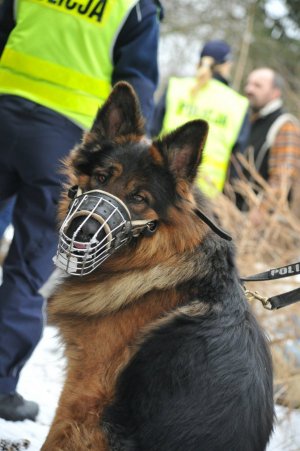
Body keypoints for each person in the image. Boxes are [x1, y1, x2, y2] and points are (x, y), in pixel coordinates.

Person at [0, 0, 162, 422]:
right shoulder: (135, 7)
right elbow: (137, 86)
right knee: (30, 264)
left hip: (2, 111)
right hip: (60, 139)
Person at [151, 39, 249, 197]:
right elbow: (237, 163)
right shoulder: (238, 104)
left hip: (159, 183)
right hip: (205, 198)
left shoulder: (176, 87)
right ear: (225, 65)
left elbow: (151, 131)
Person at [239, 67, 300, 222]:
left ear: (275, 92)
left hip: (259, 226)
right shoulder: (249, 120)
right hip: (237, 215)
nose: (249, 89)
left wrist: (259, 213)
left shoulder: (284, 125)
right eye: (249, 84)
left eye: (257, 86)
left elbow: (283, 178)